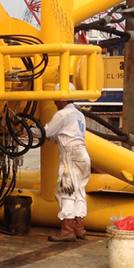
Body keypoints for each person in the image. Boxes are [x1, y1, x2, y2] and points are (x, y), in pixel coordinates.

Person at [44, 83, 90, 242]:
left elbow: (46, 131)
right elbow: (64, 135)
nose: (54, 102)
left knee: (67, 191)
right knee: (79, 191)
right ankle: (79, 228)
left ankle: (67, 231)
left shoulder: (62, 114)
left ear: (62, 98)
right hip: (82, 155)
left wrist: (27, 131)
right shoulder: (78, 114)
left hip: (70, 156)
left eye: (56, 99)